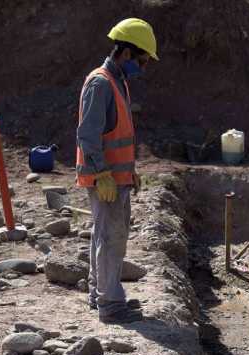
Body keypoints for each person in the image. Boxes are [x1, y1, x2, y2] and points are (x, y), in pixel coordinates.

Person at [76, 18, 158, 324]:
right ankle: (110, 304)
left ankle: (101, 294)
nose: (143, 67)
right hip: (105, 178)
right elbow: (87, 134)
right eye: (142, 60)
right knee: (111, 238)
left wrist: (129, 171)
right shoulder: (100, 83)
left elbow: (117, 134)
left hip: (116, 177)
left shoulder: (118, 81)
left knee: (105, 235)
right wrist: (102, 174)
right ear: (125, 53)